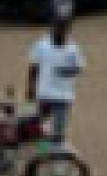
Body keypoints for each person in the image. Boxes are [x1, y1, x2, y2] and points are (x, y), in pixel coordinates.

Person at [26, 14, 85, 143]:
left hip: (63, 96)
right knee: (41, 129)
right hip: (44, 94)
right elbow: (34, 67)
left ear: (67, 30)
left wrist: (66, 71)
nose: (60, 31)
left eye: (63, 28)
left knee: (59, 131)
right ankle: (42, 155)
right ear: (52, 27)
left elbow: (79, 68)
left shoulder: (73, 48)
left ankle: (58, 158)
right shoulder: (41, 45)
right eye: (57, 27)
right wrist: (30, 87)